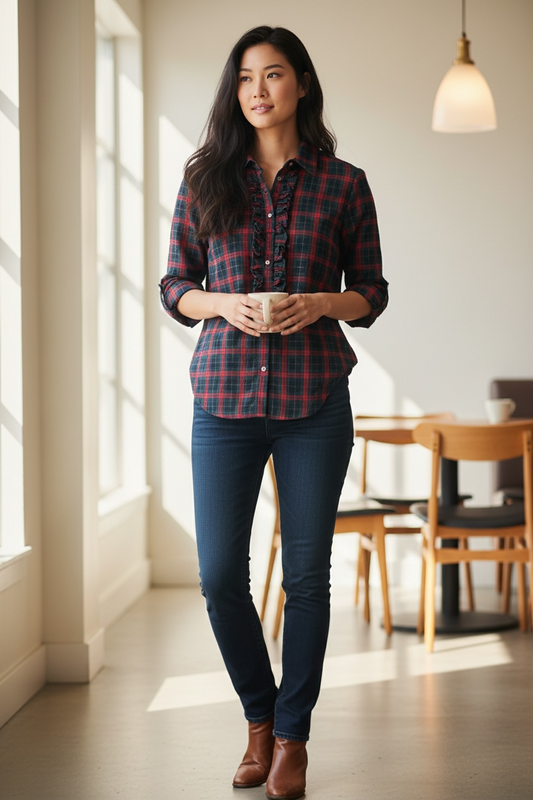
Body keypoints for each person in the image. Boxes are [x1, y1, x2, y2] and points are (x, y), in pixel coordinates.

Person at [160, 25, 388, 800]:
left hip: (314, 399)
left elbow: (372, 293)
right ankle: (258, 717)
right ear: (236, 92)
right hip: (223, 399)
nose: (258, 90)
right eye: (246, 78)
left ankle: (291, 738)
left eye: (274, 75)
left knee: (307, 575)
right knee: (220, 574)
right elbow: (174, 289)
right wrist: (226, 304)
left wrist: (320, 302)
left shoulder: (343, 182)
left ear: (300, 86)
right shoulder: (203, 181)